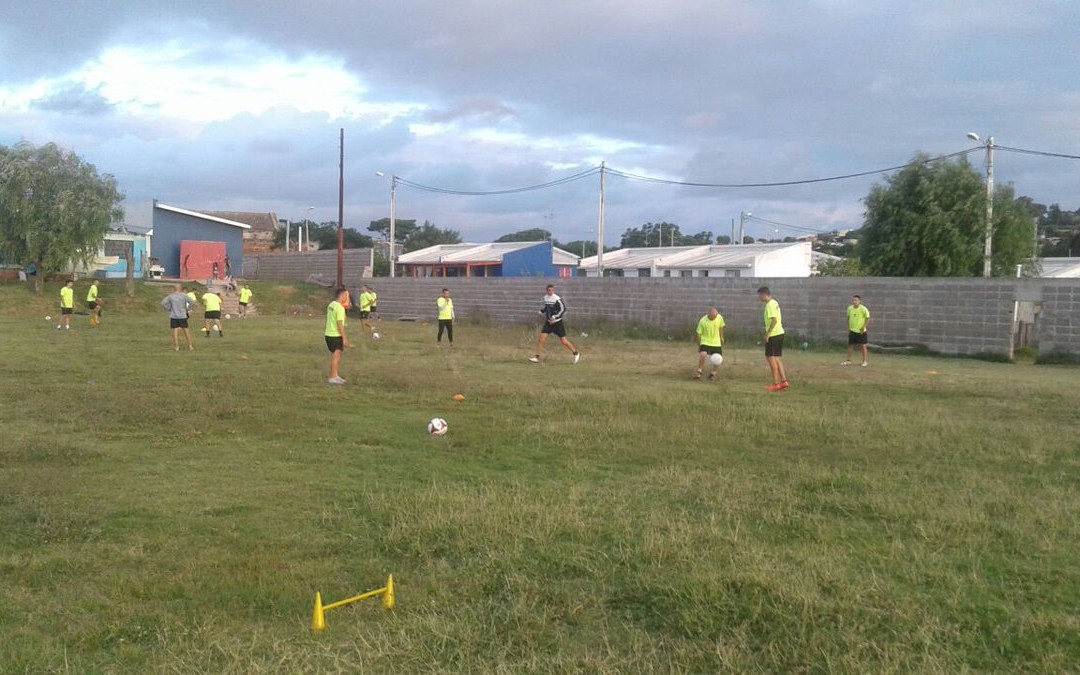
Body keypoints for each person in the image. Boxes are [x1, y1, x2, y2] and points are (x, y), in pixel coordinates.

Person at [529, 284, 580, 364]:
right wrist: (542, 311)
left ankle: (576, 353)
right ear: (547, 290)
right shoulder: (545, 297)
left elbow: (563, 309)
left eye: (552, 290)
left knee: (564, 341)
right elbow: (547, 308)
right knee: (541, 339)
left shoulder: (557, 299)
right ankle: (537, 357)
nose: (551, 292)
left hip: (557, 323)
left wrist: (555, 317)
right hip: (548, 323)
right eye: (549, 290)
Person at [758, 286, 788, 391]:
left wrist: (768, 334)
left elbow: (774, 320)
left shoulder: (769, 305)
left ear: (763, 294)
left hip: (774, 335)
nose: (759, 298)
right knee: (777, 358)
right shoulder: (775, 302)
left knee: (771, 358)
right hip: (780, 333)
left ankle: (776, 383)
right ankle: (784, 381)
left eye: (759, 295)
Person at [325, 287, 351, 385]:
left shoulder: (331, 305)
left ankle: (335, 375)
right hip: (335, 335)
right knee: (337, 356)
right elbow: (340, 324)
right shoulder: (340, 308)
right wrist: (344, 338)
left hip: (328, 333)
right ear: (342, 295)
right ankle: (332, 377)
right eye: (346, 295)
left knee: (337, 355)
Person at [694, 307, 725, 381]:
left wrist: (721, 337)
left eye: (715, 316)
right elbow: (698, 334)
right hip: (705, 341)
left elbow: (721, 327)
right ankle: (699, 371)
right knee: (703, 354)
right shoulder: (702, 321)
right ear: (709, 315)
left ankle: (713, 373)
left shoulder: (719, 318)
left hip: (716, 342)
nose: (714, 318)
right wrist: (700, 345)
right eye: (712, 317)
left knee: (718, 358)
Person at [161, 284, 195, 351]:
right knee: (186, 330)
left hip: (174, 315)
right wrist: (189, 309)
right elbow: (192, 302)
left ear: (174, 288)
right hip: (182, 315)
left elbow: (163, 303)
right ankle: (190, 346)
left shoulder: (171, 296)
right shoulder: (184, 295)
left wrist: (169, 308)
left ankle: (177, 347)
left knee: (175, 330)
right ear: (180, 288)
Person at [843, 295, 872, 367]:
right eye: (853, 300)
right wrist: (849, 328)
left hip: (861, 331)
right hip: (852, 330)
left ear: (859, 301)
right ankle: (848, 360)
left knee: (863, 346)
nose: (854, 301)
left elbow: (868, 318)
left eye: (856, 300)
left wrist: (864, 327)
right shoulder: (849, 308)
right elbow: (848, 318)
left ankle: (864, 361)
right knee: (851, 345)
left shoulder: (863, 309)